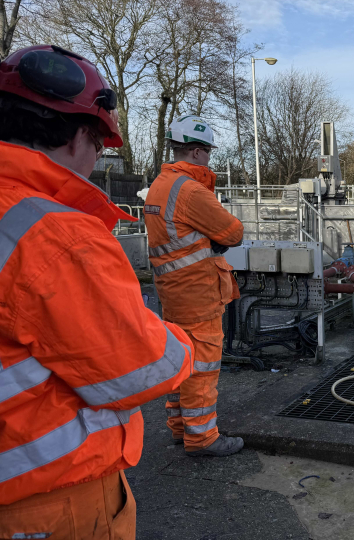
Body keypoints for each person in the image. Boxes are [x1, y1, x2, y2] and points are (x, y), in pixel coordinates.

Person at [0, 45, 194, 539]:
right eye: (100, 144)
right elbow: (143, 368)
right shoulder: (51, 233)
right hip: (44, 501)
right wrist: (179, 340)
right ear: (79, 136)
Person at [145, 114, 245, 457]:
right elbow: (233, 232)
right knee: (202, 367)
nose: (209, 159)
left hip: (171, 291)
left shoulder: (160, 185)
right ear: (198, 151)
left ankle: (180, 428)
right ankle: (202, 438)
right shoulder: (190, 190)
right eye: (209, 152)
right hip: (198, 292)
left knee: (179, 362)